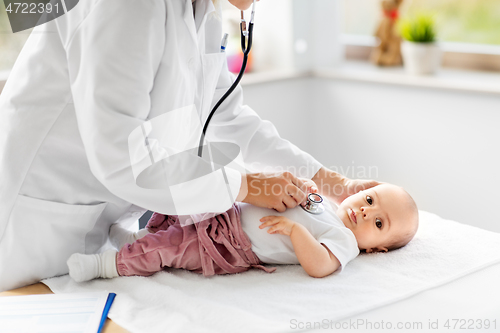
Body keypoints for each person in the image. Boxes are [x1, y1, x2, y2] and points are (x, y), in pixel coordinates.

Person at [0, 0, 378, 291]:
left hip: (91, 225)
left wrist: (331, 182)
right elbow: (120, 154)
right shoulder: (127, 7)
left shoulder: (203, 14)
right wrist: (245, 185)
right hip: (27, 227)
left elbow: (227, 118)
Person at [67, 183, 419, 281]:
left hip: (229, 244)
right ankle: (137, 241)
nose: (366, 211)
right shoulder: (325, 202)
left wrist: (296, 232)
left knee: (176, 246)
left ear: (377, 249)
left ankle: (107, 265)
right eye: (371, 199)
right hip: (228, 208)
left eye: (378, 223)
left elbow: (319, 266)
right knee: (177, 203)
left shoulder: (345, 242)